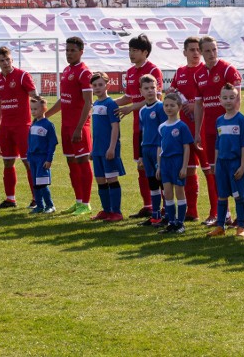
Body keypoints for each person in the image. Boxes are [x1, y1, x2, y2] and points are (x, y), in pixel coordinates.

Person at [194, 35, 243, 226]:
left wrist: (233, 125)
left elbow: (237, 100)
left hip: (229, 129)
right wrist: (198, 131)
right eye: (207, 50)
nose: (212, 53)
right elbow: (199, 106)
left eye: (214, 49)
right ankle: (224, 214)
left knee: (235, 170)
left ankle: (241, 215)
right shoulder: (198, 74)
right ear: (201, 52)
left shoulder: (228, 69)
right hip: (209, 130)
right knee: (215, 172)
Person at [115, 35, 163, 219]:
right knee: (141, 167)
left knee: (159, 168)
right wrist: (106, 104)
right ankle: (148, 205)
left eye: (135, 50)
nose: (131, 53)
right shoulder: (130, 71)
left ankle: (162, 208)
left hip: (154, 128)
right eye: (130, 50)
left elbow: (153, 98)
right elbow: (128, 97)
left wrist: (130, 108)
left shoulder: (153, 70)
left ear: (145, 52)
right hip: (139, 127)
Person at [45, 37, 94, 216]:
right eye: (67, 50)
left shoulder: (84, 73)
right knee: (71, 164)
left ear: (81, 51)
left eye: (73, 50)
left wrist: (79, 128)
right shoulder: (66, 71)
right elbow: (63, 100)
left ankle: (86, 203)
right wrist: (45, 115)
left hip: (79, 126)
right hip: (66, 126)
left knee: (82, 162)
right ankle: (78, 201)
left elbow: (89, 103)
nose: (69, 53)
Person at [168, 36, 209, 222]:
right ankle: (192, 211)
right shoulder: (180, 72)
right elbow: (173, 93)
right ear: (184, 52)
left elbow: (216, 99)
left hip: (202, 128)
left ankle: (217, 212)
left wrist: (196, 106)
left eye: (198, 49)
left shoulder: (206, 70)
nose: (196, 53)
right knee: (189, 169)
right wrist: (172, 95)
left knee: (210, 171)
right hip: (184, 130)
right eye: (191, 49)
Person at [0, 46, 37, 209]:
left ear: (12, 60)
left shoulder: (23, 75)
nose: (5, 63)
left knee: (28, 162)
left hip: (23, 126)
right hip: (6, 128)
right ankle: (10, 199)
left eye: (7, 59)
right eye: (1, 60)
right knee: (8, 162)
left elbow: (34, 97)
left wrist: (39, 117)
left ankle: (36, 198)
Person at [207, 84, 244, 238]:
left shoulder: (241, 120)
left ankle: (241, 226)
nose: (228, 101)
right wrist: (215, 164)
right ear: (220, 100)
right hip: (221, 164)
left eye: (231, 98)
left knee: (239, 196)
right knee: (221, 195)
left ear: (237, 99)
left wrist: (242, 165)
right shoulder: (219, 120)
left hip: (235, 164)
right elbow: (217, 145)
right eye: (225, 98)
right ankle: (220, 226)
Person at [157, 91, 194, 235]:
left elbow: (186, 147)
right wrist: (158, 166)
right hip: (165, 163)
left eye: (172, 105)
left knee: (179, 192)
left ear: (178, 107)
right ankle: (171, 222)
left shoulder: (182, 126)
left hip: (177, 162)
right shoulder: (162, 127)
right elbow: (159, 147)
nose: (168, 108)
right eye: (166, 105)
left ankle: (180, 223)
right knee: (167, 193)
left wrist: (184, 166)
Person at [90, 72, 125, 222]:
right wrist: (93, 149)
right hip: (97, 150)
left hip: (109, 150)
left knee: (111, 179)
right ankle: (106, 210)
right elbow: (96, 130)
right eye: (94, 85)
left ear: (107, 86)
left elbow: (115, 127)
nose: (97, 88)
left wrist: (111, 148)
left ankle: (116, 212)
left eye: (100, 85)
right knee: (100, 180)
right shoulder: (96, 104)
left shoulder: (110, 104)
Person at [137, 75, 166, 227]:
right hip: (146, 150)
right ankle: (155, 215)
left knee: (162, 183)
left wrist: (162, 151)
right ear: (141, 91)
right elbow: (142, 132)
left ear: (158, 89)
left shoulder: (161, 107)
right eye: (146, 88)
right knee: (152, 183)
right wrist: (140, 155)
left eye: (153, 88)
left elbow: (164, 130)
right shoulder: (142, 110)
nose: (150, 91)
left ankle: (166, 214)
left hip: (158, 150)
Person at [27, 96, 58, 214]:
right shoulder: (33, 125)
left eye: (36, 109)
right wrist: (29, 157)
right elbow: (29, 142)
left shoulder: (48, 125)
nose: (33, 112)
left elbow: (52, 144)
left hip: (42, 159)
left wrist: (49, 159)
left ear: (44, 108)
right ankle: (39, 206)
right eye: (32, 109)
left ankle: (50, 205)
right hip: (33, 159)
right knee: (35, 184)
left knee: (42, 184)